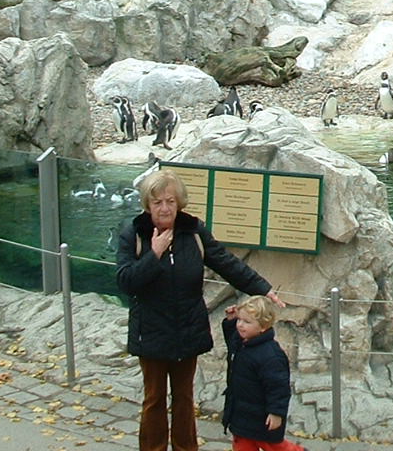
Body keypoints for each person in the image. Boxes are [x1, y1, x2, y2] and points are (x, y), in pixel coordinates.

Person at [116, 169, 285, 451]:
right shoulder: (134, 233)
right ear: (147, 204)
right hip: (151, 331)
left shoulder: (192, 230)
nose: (165, 208)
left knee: (184, 398)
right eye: (158, 202)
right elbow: (126, 281)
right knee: (154, 398)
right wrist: (153, 253)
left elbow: (226, 262)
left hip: (187, 329)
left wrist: (262, 288)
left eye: (170, 201)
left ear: (179, 202)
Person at [220, 295, 307, 451]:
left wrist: (276, 413)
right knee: (242, 444)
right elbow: (232, 342)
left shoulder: (271, 356)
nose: (240, 325)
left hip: (262, 417)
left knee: (275, 446)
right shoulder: (241, 343)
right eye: (240, 320)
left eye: (247, 322)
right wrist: (231, 321)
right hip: (240, 412)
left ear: (263, 326)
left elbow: (279, 388)